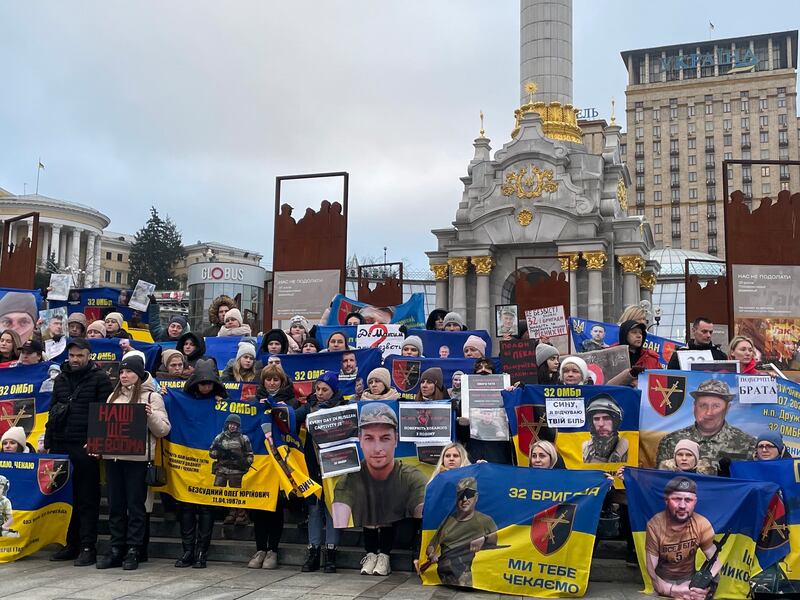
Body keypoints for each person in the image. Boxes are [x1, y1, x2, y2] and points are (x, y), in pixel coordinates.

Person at [332, 403, 428, 576]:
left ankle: (384, 555)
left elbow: (423, 509)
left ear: (396, 440)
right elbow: (341, 513)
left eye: (385, 438)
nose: (377, 449)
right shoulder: (350, 478)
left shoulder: (412, 477)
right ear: (360, 440)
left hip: (402, 529)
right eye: (369, 438)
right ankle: (371, 554)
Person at [96, 354, 170, 571]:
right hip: (114, 458)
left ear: (138, 374)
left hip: (138, 459)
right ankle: (117, 548)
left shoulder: (152, 398)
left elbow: (164, 430)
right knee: (116, 505)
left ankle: (134, 549)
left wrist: (150, 416)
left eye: (129, 371)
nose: (124, 375)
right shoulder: (113, 396)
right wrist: (96, 445)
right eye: (121, 372)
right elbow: (106, 427)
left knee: (136, 506)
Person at [44, 338, 114, 566]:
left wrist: (96, 442)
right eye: (72, 356)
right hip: (61, 445)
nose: (75, 359)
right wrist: (49, 441)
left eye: (79, 356)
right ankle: (70, 543)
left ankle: (87, 547)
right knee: (66, 498)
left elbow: (106, 414)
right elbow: (53, 410)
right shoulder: (61, 379)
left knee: (87, 499)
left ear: (88, 356)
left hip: (86, 447)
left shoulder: (100, 379)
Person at [177, 359, 228, 568]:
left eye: (209, 383)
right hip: (188, 461)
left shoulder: (222, 401)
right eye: (202, 383)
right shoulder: (183, 400)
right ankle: (188, 550)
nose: (206, 386)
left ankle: (201, 552)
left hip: (211, 461)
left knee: (206, 509)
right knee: (187, 507)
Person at [294, 372, 346, 573]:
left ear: (333, 390)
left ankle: (331, 552)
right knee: (314, 510)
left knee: (332, 510)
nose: (320, 393)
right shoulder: (308, 406)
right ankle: (313, 551)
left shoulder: (342, 407)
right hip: (312, 466)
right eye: (317, 389)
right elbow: (291, 416)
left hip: (335, 467)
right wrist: (275, 407)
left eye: (325, 390)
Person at [655, 379, 757, 469]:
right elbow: (661, 481)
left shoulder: (748, 444)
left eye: (716, 406)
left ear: (727, 408)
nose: (709, 413)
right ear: (694, 406)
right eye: (703, 405)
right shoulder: (670, 441)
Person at [645, 477, 720, 599]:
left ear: (695, 502)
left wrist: (703, 588)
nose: (682, 505)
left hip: (690, 580)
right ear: (666, 500)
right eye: (676, 499)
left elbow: (715, 560)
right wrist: (671, 590)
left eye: (688, 500)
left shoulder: (701, 523)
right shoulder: (655, 525)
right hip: (663, 581)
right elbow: (651, 570)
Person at [425, 476, 498, 587]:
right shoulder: (448, 520)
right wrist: (431, 554)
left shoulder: (485, 520)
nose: (464, 499)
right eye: (461, 495)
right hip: (446, 572)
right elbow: (432, 544)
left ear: (476, 497)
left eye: (469, 495)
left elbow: (498, 538)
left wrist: (483, 539)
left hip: (472, 573)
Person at [608, 320, 661, 387]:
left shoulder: (651, 358)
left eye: (641, 333)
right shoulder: (609, 355)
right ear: (625, 334)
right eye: (634, 332)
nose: (639, 336)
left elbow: (660, 383)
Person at [209, 414, 253, 488]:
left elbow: (250, 455)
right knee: (217, 493)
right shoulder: (219, 437)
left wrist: (244, 462)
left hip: (236, 472)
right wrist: (220, 453)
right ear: (227, 424)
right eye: (231, 424)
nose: (232, 426)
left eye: (235, 425)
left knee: (235, 495)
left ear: (238, 426)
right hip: (221, 470)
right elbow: (211, 452)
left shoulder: (244, 439)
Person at [582, 394, 628, 463]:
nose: (601, 424)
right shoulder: (584, 449)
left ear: (615, 421)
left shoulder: (627, 448)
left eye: (606, 418)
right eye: (596, 419)